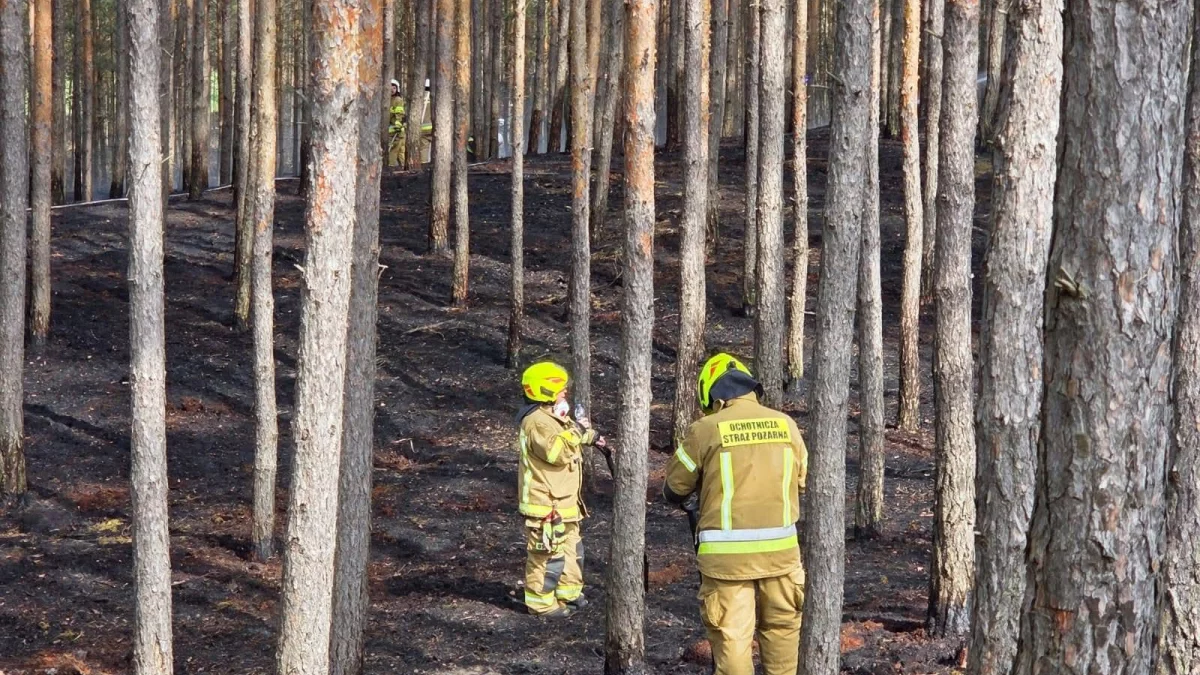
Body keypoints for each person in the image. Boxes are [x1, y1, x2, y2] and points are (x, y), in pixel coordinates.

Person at [664, 353, 808, 675]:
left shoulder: (705, 429)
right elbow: (802, 480)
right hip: (782, 557)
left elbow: (674, 488)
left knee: (733, 643)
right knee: (784, 635)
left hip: (727, 562)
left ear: (712, 395)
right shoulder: (786, 425)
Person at [514, 362, 606, 618]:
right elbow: (558, 452)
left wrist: (591, 436)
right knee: (547, 554)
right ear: (545, 390)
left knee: (571, 550)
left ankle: (569, 594)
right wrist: (578, 429)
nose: (565, 391)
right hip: (545, 505)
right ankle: (541, 605)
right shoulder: (536, 422)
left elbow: (568, 438)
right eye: (560, 387)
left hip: (565, 503)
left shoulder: (551, 417)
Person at [387, 79, 406, 167]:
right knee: (396, 152)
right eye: (390, 88)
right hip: (395, 132)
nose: (392, 90)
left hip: (397, 131)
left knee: (399, 152)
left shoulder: (398, 100)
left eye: (394, 88)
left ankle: (400, 168)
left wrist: (398, 124)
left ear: (397, 89)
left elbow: (400, 114)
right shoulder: (388, 99)